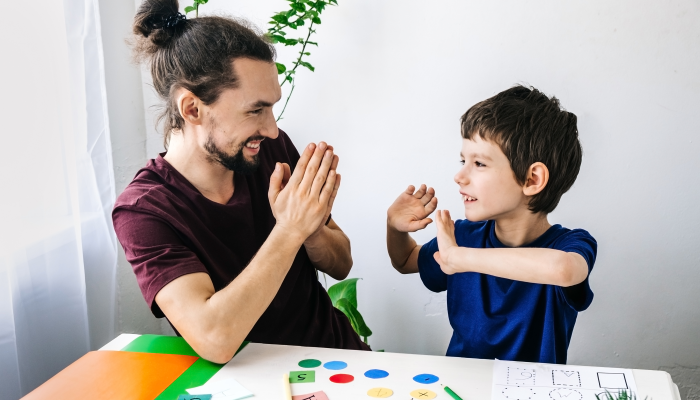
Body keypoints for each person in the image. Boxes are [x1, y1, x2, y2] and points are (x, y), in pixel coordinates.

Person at [112, 0, 368, 364]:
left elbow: (341, 263)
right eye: (255, 109)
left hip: (340, 361)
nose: (271, 128)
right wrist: (290, 229)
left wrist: (311, 228)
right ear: (192, 109)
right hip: (249, 382)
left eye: (272, 107)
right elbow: (214, 339)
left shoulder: (271, 149)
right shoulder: (145, 212)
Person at [386, 85, 597, 364]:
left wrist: (459, 258)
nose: (459, 176)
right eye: (463, 160)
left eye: (480, 164)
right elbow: (405, 260)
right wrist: (394, 227)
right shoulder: (461, 236)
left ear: (532, 179)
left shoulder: (570, 245)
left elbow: (563, 269)